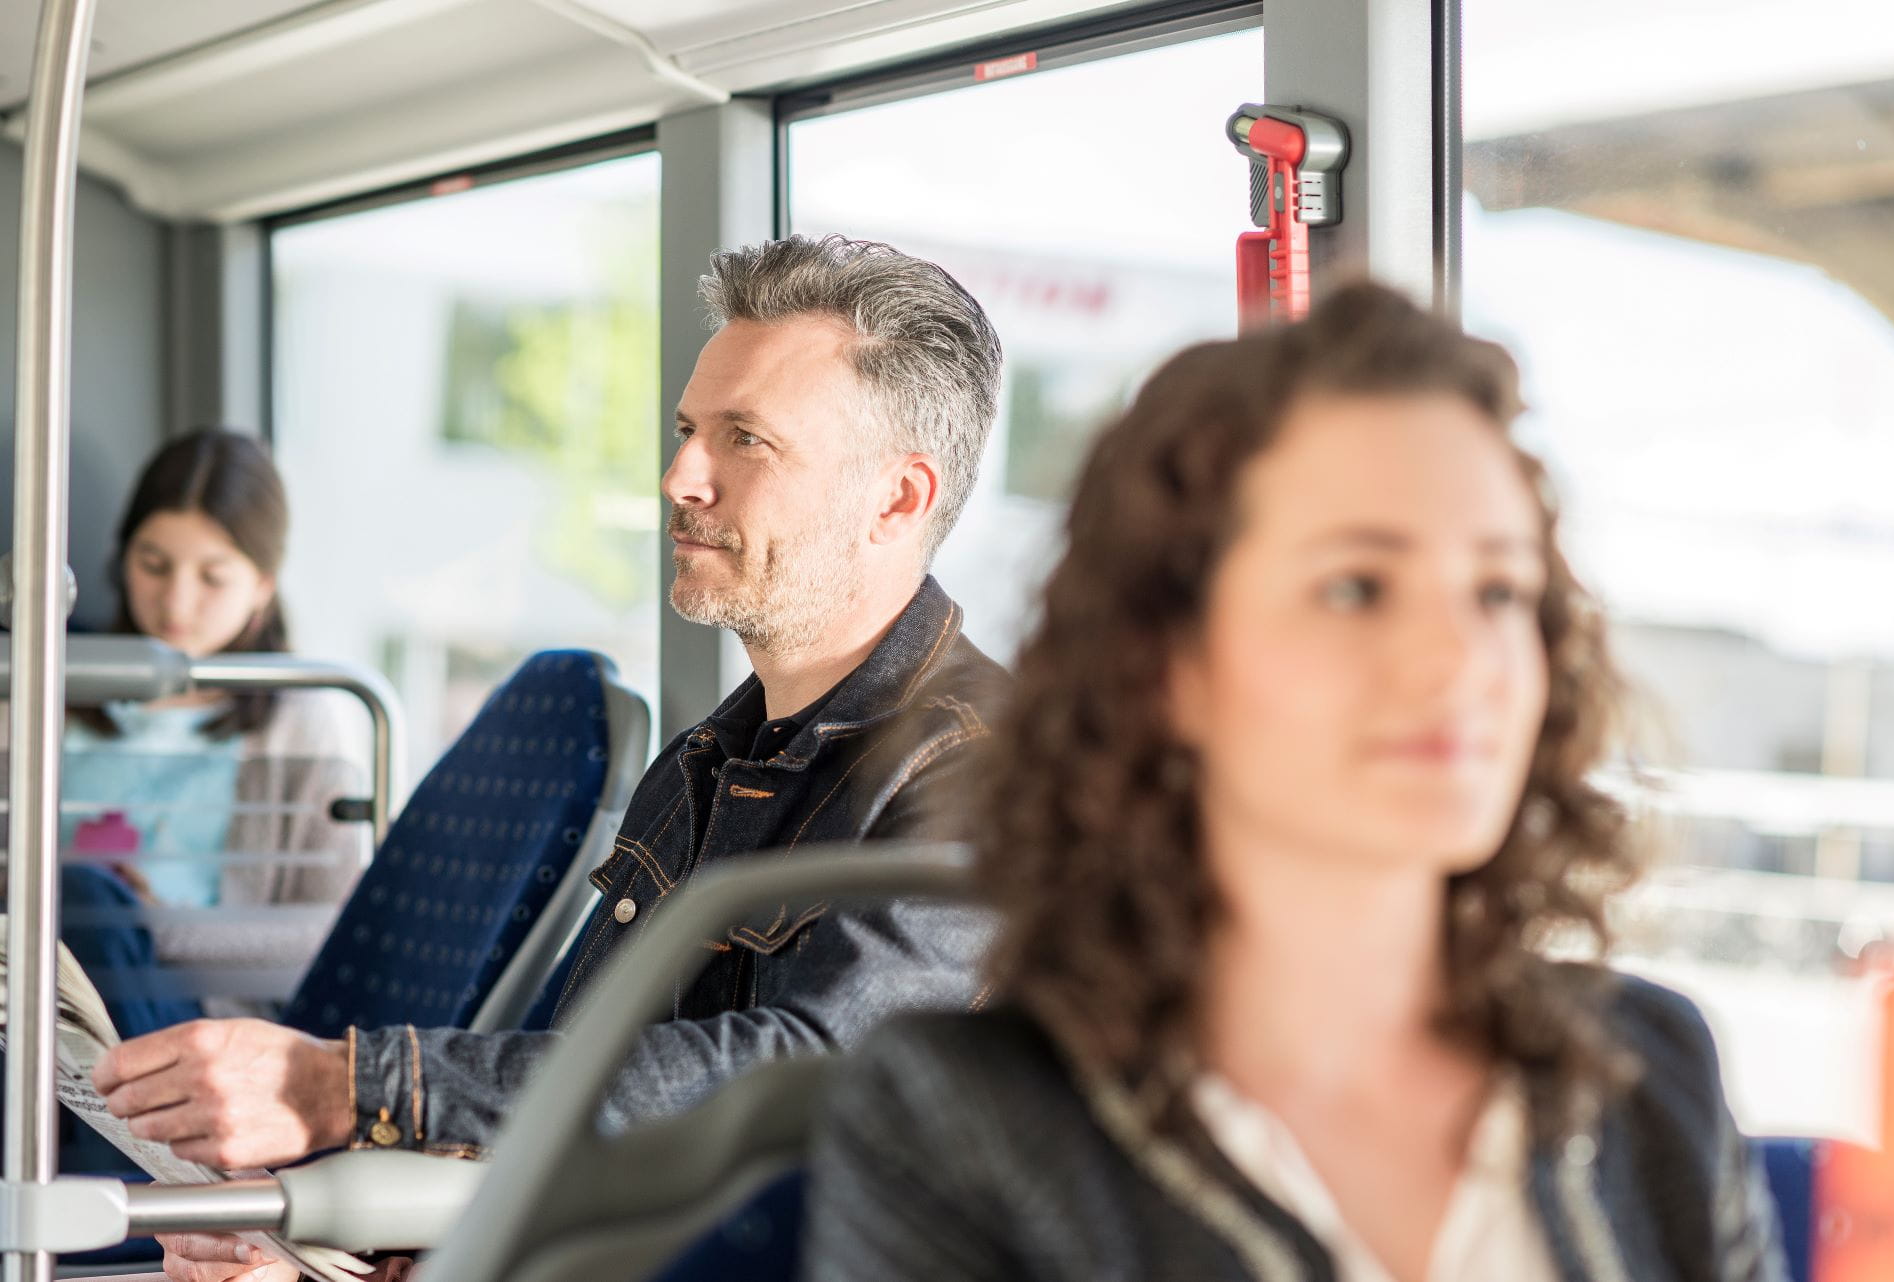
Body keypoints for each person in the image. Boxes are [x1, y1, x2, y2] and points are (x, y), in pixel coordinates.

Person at [804, 284, 1785, 1281]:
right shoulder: (962, 1120)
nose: (1460, 658)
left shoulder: (1651, 1071)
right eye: (1356, 587)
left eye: (1499, 589)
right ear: (1165, 663)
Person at [96, 235, 1008, 1282]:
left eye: (745, 438)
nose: (678, 476)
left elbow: (802, 1080)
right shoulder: (705, 760)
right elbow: (584, 1090)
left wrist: (353, 1084)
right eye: (685, 431)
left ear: (897, 497)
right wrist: (373, 1248)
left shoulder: (982, 777)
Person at [40, 428, 370, 1034]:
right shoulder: (48, 696)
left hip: (196, 1020)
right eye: (153, 565)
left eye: (213, 577)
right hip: (37, 1001)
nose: (176, 602)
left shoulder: (299, 721)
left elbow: (331, 932)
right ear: (123, 557)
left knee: (87, 899)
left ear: (261, 589)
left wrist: (144, 922)